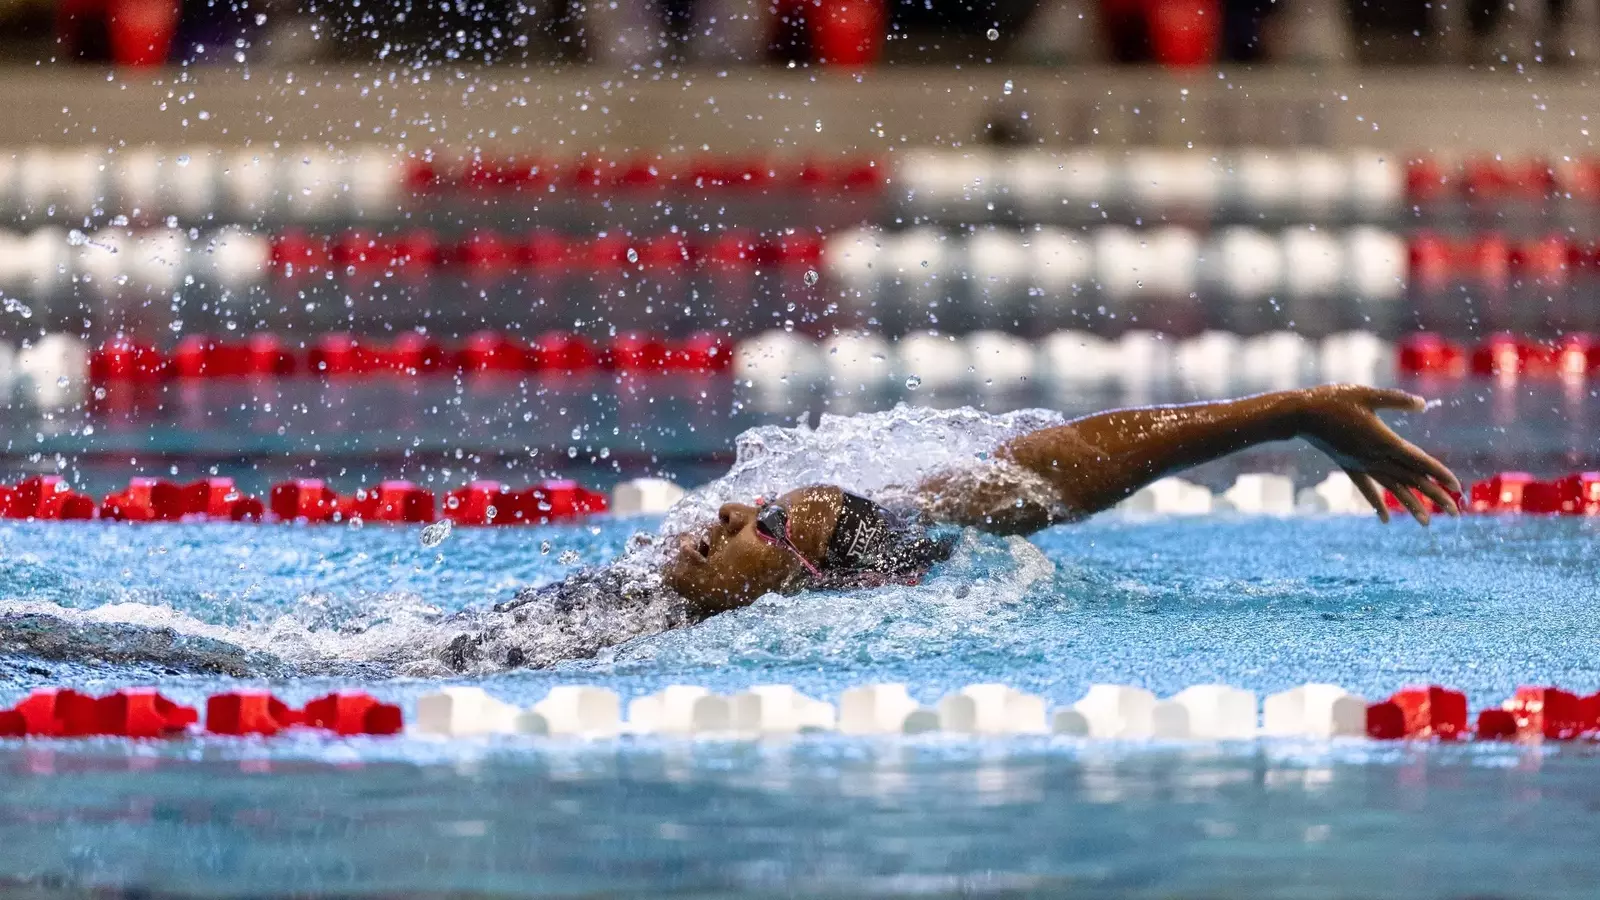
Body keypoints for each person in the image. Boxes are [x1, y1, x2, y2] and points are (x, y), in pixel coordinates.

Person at [439, 384, 1459, 675]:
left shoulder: (668, 648)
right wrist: (1289, 413)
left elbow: (1041, 482)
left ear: (816, 587)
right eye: (759, 507)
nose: (732, 511)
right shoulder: (614, 614)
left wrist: (1294, 415)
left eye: (770, 523)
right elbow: (1042, 474)